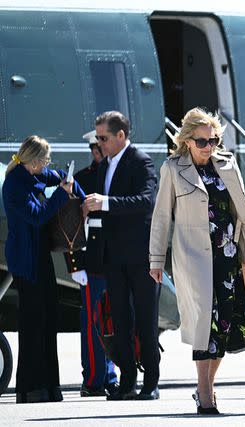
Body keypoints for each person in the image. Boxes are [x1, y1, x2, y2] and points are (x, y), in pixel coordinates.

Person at [149, 107, 245, 415]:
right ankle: (205, 394)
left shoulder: (227, 165)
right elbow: (162, 216)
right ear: (187, 140)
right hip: (193, 259)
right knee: (205, 321)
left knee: (224, 324)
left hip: (228, 256)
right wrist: (155, 259)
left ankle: (207, 385)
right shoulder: (172, 169)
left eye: (214, 140)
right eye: (202, 141)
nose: (208, 146)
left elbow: (239, 210)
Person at [82, 111, 160, 401]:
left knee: (145, 320)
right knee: (120, 320)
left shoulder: (140, 161)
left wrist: (106, 203)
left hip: (140, 256)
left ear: (120, 136)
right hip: (114, 257)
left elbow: (145, 201)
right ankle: (127, 381)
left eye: (103, 138)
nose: (99, 143)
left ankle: (151, 382)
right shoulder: (105, 166)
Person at [3, 135, 82, 403]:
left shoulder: (33, 175)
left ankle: (49, 386)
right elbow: (37, 216)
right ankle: (31, 388)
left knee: (48, 319)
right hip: (26, 262)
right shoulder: (14, 185)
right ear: (34, 161)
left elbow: (58, 174)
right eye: (45, 160)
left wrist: (76, 192)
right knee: (34, 324)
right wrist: (61, 194)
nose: (47, 164)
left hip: (39, 256)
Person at [66, 130, 118, 397]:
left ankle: (113, 375)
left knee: (115, 320)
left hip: (115, 259)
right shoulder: (83, 179)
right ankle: (95, 378)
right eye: (97, 147)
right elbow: (70, 227)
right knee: (93, 323)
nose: (100, 151)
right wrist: (75, 265)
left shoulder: (118, 176)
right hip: (92, 262)